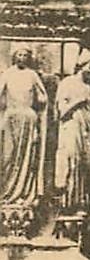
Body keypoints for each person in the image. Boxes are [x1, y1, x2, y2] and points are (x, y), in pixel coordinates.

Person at [54, 49, 90, 213]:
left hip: (87, 133)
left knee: (85, 164)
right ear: (81, 65)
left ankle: (82, 203)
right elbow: (61, 111)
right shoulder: (67, 83)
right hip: (72, 128)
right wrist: (77, 102)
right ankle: (69, 202)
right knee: (72, 161)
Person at [0, 46, 47, 205]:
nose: (22, 57)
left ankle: (24, 192)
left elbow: (42, 99)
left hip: (28, 119)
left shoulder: (32, 75)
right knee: (8, 155)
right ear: (14, 56)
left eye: (25, 55)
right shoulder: (8, 74)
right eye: (19, 54)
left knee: (27, 156)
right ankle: (6, 191)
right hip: (11, 119)